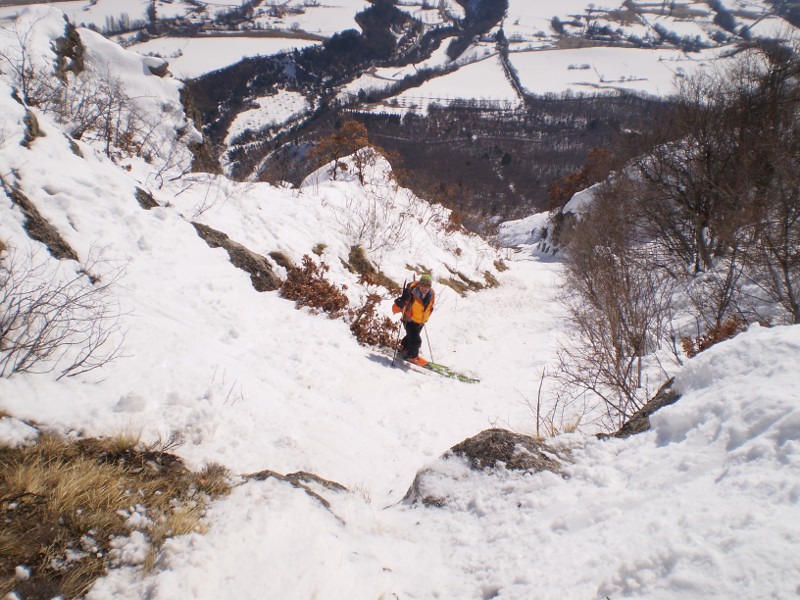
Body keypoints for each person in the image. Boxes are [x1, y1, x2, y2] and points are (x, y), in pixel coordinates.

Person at [392, 274, 435, 366]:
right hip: (409, 320)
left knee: (410, 337)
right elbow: (395, 308)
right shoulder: (411, 294)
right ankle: (412, 356)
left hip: (420, 322)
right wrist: (401, 301)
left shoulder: (431, 295)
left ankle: (403, 348)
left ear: (430, 287)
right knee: (416, 341)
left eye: (427, 286)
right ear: (419, 284)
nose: (424, 288)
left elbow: (429, 307)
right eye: (422, 285)